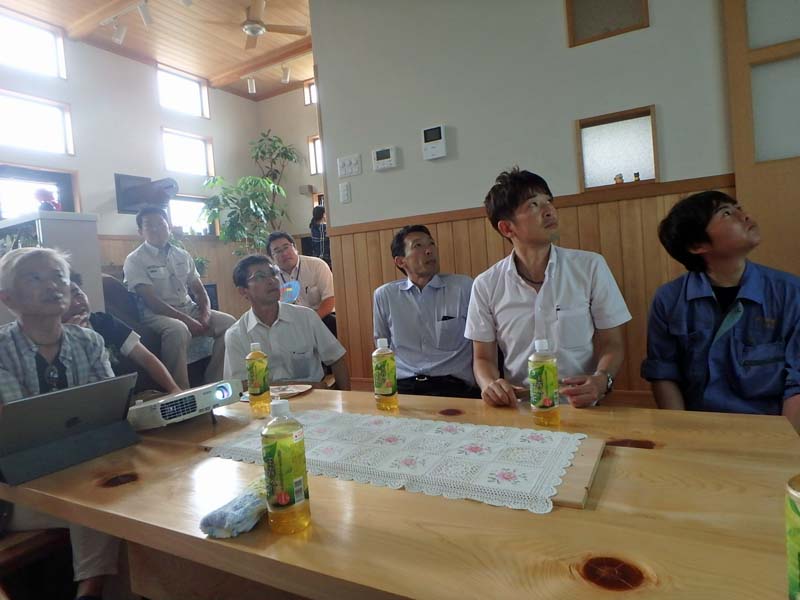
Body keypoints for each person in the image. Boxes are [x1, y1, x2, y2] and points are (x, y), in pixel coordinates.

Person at [0, 248, 119, 600]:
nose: (52, 285)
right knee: (99, 502)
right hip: (14, 492)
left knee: (115, 494)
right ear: (7, 298)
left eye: (58, 276)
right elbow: (21, 429)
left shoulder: (90, 341)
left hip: (80, 473)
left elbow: (108, 413)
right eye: (35, 278)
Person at [466, 167, 631, 408]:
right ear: (507, 228)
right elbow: (483, 358)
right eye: (533, 205)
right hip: (519, 407)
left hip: (580, 406)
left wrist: (601, 379)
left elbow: (612, 344)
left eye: (549, 201)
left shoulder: (590, 267)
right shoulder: (486, 285)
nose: (548, 210)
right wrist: (489, 384)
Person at [641, 190, 800, 430]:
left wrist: (783, 442)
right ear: (697, 245)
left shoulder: (790, 292)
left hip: (769, 430)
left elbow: (797, 381)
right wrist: (681, 433)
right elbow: (664, 373)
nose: (745, 216)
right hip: (698, 428)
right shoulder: (669, 299)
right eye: (726, 213)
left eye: (739, 208)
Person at [123, 206, 235, 389]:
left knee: (229, 323)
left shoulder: (182, 254)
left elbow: (200, 291)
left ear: (169, 226)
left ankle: (214, 382)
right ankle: (180, 392)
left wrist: (205, 315)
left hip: (188, 308)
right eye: (149, 225)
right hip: (156, 315)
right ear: (140, 232)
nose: (156, 229)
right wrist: (188, 321)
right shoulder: (135, 260)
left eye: (160, 223)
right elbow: (152, 301)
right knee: (178, 330)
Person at [373, 225, 479, 398]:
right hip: (404, 386)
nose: (429, 250)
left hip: (454, 387)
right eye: (418, 246)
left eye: (431, 244)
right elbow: (382, 346)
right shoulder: (385, 295)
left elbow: (481, 341)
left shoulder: (463, 287)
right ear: (400, 261)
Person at [223, 254, 350, 390]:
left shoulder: (306, 317)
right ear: (243, 291)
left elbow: (336, 358)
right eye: (260, 276)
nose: (271, 280)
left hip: (313, 399)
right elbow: (240, 385)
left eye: (273, 273)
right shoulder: (236, 334)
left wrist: (346, 398)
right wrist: (306, 386)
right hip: (265, 401)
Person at [63, 273, 181, 394]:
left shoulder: (105, 322)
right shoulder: (57, 342)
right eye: (67, 300)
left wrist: (174, 389)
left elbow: (146, 359)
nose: (77, 303)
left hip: (138, 396)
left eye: (78, 294)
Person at [267, 231, 337, 336]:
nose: (284, 253)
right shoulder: (271, 278)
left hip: (320, 318)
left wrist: (309, 323)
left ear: (295, 248)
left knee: (332, 321)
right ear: (271, 257)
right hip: (290, 325)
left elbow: (330, 299)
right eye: (277, 251)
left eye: (286, 247)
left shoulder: (317, 265)